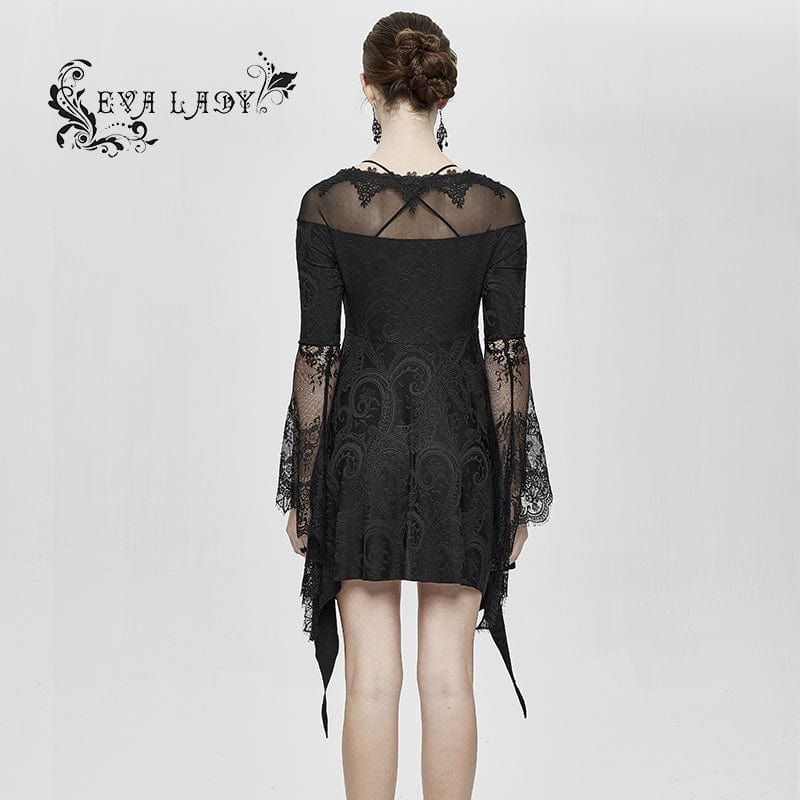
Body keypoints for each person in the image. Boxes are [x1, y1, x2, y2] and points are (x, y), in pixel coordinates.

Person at [275, 11, 553, 799]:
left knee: (370, 681)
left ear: (368, 87)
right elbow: (506, 357)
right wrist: (513, 491)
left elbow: (318, 356)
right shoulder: (495, 207)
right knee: (449, 679)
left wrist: (303, 489)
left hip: (360, 450)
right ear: (441, 94)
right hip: (459, 453)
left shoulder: (327, 205)